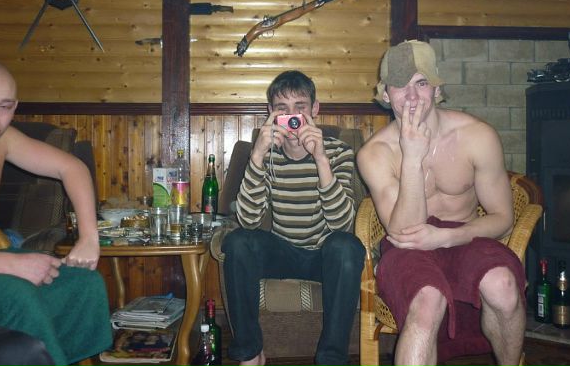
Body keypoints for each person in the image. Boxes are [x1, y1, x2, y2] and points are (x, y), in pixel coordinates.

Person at [357, 40, 526, 366]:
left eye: (421, 83)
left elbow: (503, 217)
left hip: (465, 235)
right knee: (426, 301)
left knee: (504, 286)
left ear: (437, 89)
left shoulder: (478, 136)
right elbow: (404, 231)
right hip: (406, 246)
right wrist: (412, 159)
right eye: (400, 85)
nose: (411, 97)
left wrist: (447, 236)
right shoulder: (374, 154)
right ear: (386, 94)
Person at [222, 70, 365, 366]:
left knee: (346, 246)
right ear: (271, 113)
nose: (292, 118)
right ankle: (250, 354)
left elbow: (342, 224)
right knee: (237, 241)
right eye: (282, 109)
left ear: (315, 109)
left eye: (300, 108)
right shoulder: (266, 154)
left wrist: (321, 158)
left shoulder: (338, 152)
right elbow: (248, 221)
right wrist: (257, 156)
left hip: (324, 256)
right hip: (282, 251)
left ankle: (332, 360)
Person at [0, 60, 112, 366]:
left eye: (4, 106)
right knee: (18, 294)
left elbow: (71, 167)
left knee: (82, 285)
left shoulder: (2, 140)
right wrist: (7, 264)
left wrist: (89, 238)